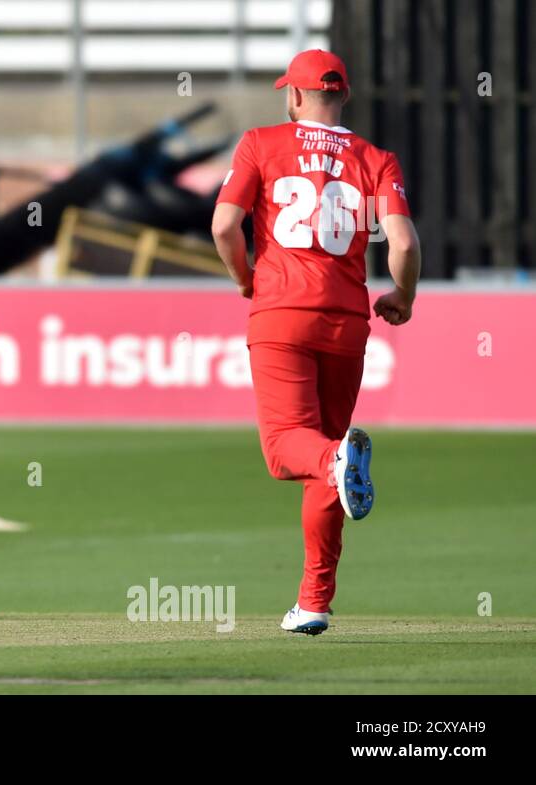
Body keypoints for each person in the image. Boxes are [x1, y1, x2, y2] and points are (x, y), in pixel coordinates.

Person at [211, 50, 422, 634]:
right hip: (346, 319)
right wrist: (402, 296)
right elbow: (401, 242)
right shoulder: (376, 158)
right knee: (326, 464)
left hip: (281, 310)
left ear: (295, 96)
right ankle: (313, 600)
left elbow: (224, 225)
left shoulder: (260, 142)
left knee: (290, 451)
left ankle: (335, 458)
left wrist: (244, 279)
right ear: (343, 97)